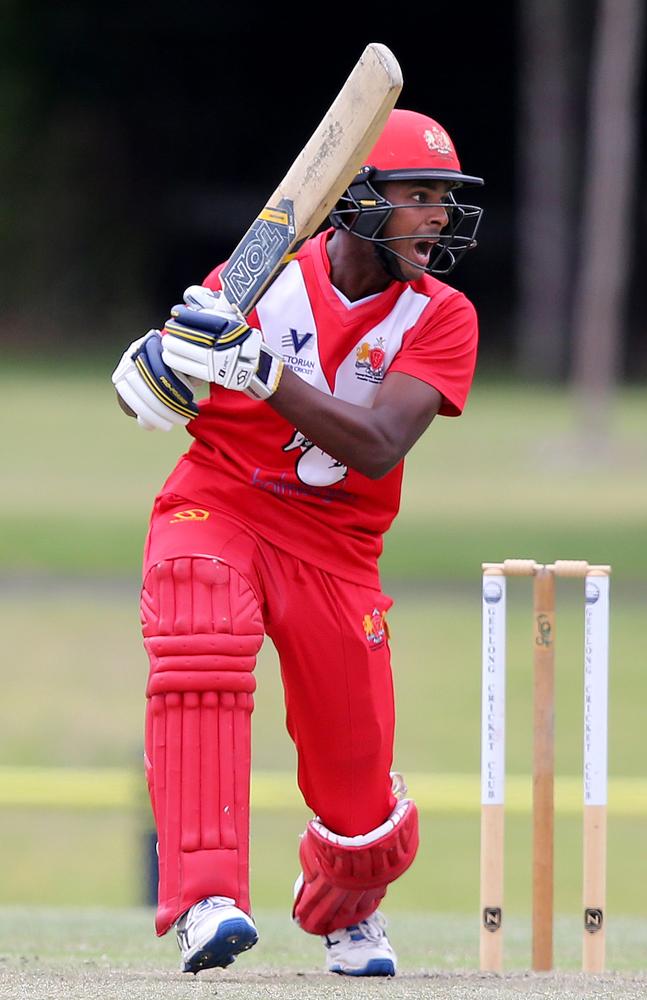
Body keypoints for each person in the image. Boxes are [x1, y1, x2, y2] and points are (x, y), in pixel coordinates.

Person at [111, 107, 484, 978]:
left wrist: (263, 373)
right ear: (354, 201)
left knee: (365, 817)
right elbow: (161, 397)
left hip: (338, 550)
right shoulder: (262, 279)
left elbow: (378, 443)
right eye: (417, 195)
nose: (436, 215)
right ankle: (205, 897)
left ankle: (343, 910)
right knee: (199, 632)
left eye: (444, 198)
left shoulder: (444, 317)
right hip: (222, 505)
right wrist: (147, 378)